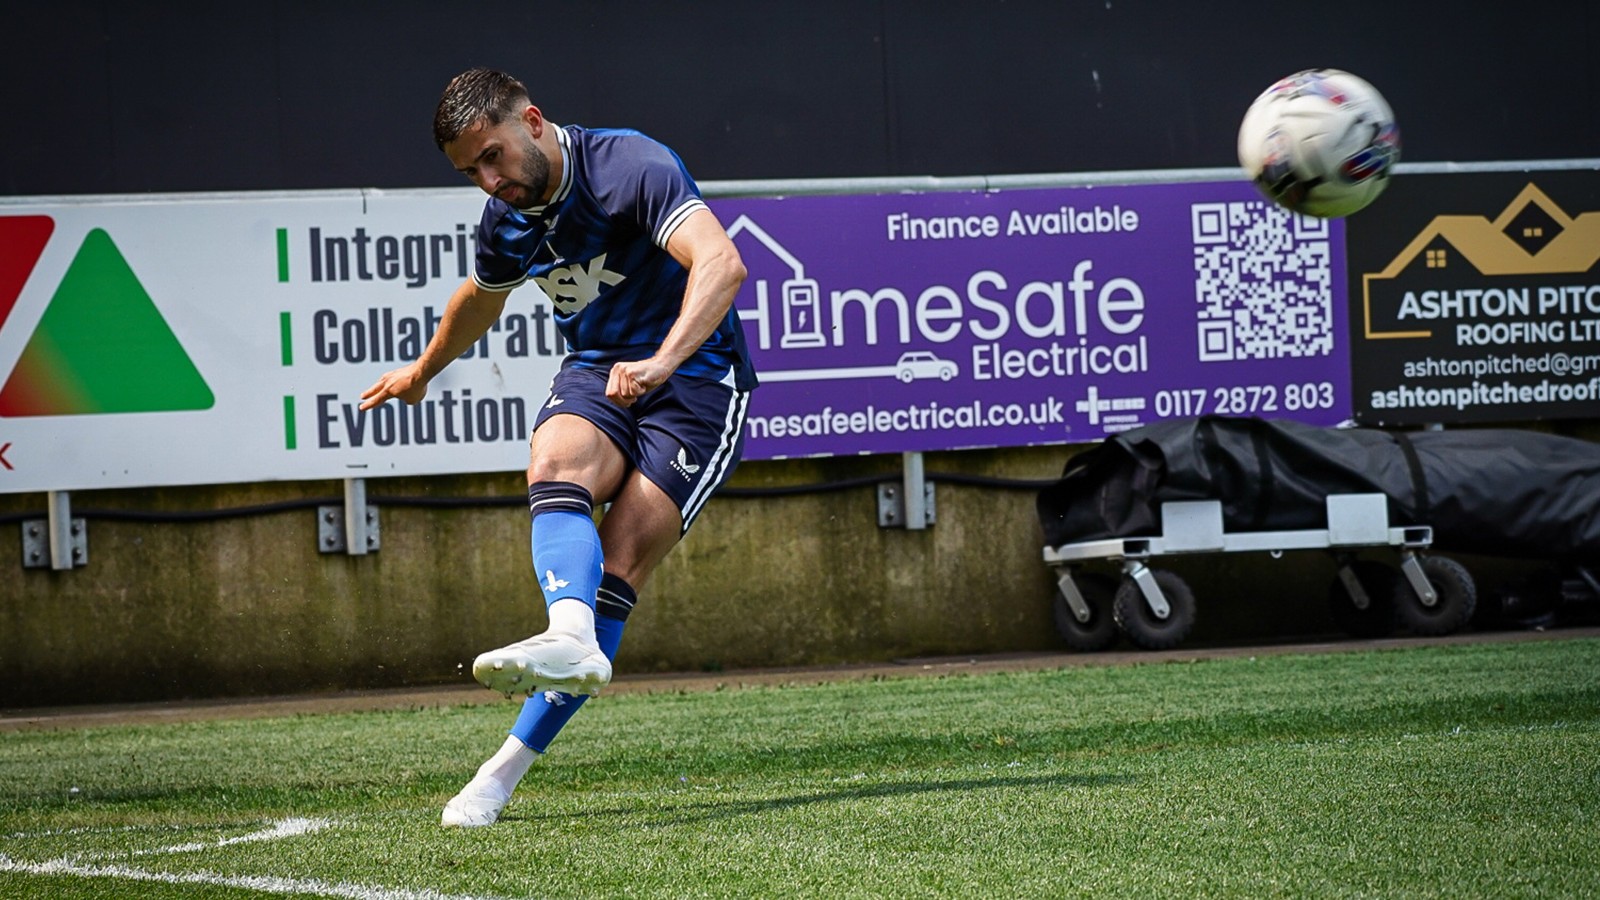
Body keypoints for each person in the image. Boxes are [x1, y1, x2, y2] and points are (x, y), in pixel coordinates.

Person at [359, 67, 756, 827]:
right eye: (470, 171)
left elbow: (721, 263)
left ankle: (501, 771)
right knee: (553, 463)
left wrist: (664, 360)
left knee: (619, 564)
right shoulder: (505, 220)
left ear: (532, 121)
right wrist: (421, 370)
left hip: (699, 379)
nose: (487, 181)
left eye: (493, 157)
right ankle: (568, 634)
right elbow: (479, 298)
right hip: (598, 369)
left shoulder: (629, 166)